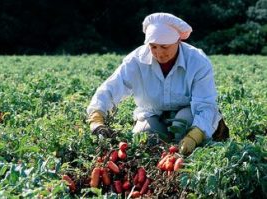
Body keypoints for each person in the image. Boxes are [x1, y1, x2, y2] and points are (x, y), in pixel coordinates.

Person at [87, 13, 228, 155]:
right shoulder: (136, 60)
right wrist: (97, 117)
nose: (159, 53)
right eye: (153, 47)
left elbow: (205, 105)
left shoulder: (197, 61)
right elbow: (111, 88)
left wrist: (194, 136)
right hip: (152, 112)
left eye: (164, 47)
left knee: (182, 128)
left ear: (178, 41)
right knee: (145, 140)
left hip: (188, 112)